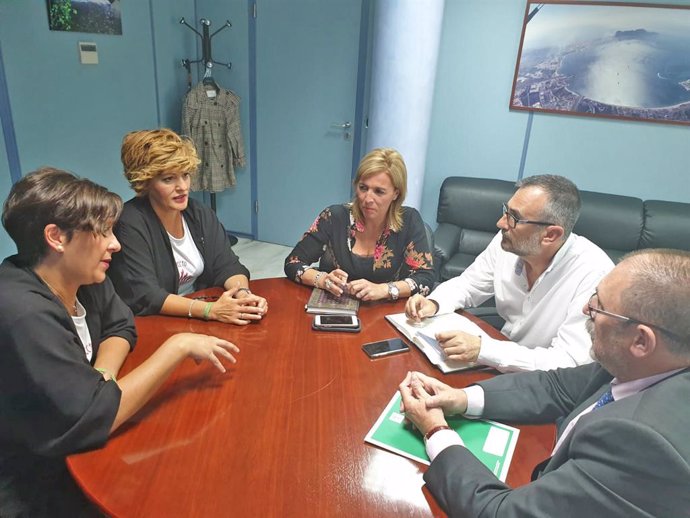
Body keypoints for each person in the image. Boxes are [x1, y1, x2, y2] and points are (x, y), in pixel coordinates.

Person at [0, 168, 240, 517]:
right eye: (103, 232)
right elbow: (96, 416)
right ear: (56, 237)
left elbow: (120, 324)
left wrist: (102, 375)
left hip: (76, 439)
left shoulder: (81, 274)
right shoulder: (23, 311)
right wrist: (177, 347)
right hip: (35, 477)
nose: (116, 244)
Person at [399, 249, 690, 517]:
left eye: (600, 307)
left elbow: (501, 514)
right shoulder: (641, 364)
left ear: (641, 340)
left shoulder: (644, 444)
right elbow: (557, 386)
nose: (586, 310)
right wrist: (460, 399)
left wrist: (436, 430)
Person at [406, 174, 613, 372]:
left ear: (550, 235)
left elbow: (568, 361)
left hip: (543, 383)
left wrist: (484, 350)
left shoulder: (594, 274)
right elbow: (469, 285)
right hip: (500, 358)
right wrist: (434, 303)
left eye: (514, 217)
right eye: (507, 210)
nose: (501, 223)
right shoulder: (507, 241)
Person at [109, 128, 267, 325]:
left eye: (185, 175)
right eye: (169, 179)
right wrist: (210, 310)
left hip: (199, 314)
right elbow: (146, 295)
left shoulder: (198, 212)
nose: (183, 187)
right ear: (145, 182)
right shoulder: (129, 223)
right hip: (155, 322)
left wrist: (243, 295)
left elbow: (227, 265)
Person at [284, 148, 434, 302]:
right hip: (336, 306)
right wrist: (323, 280)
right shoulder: (334, 217)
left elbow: (425, 278)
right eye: (363, 188)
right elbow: (293, 262)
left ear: (396, 193)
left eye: (379, 191)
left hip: (384, 310)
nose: (367, 198)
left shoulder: (409, 220)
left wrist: (384, 289)